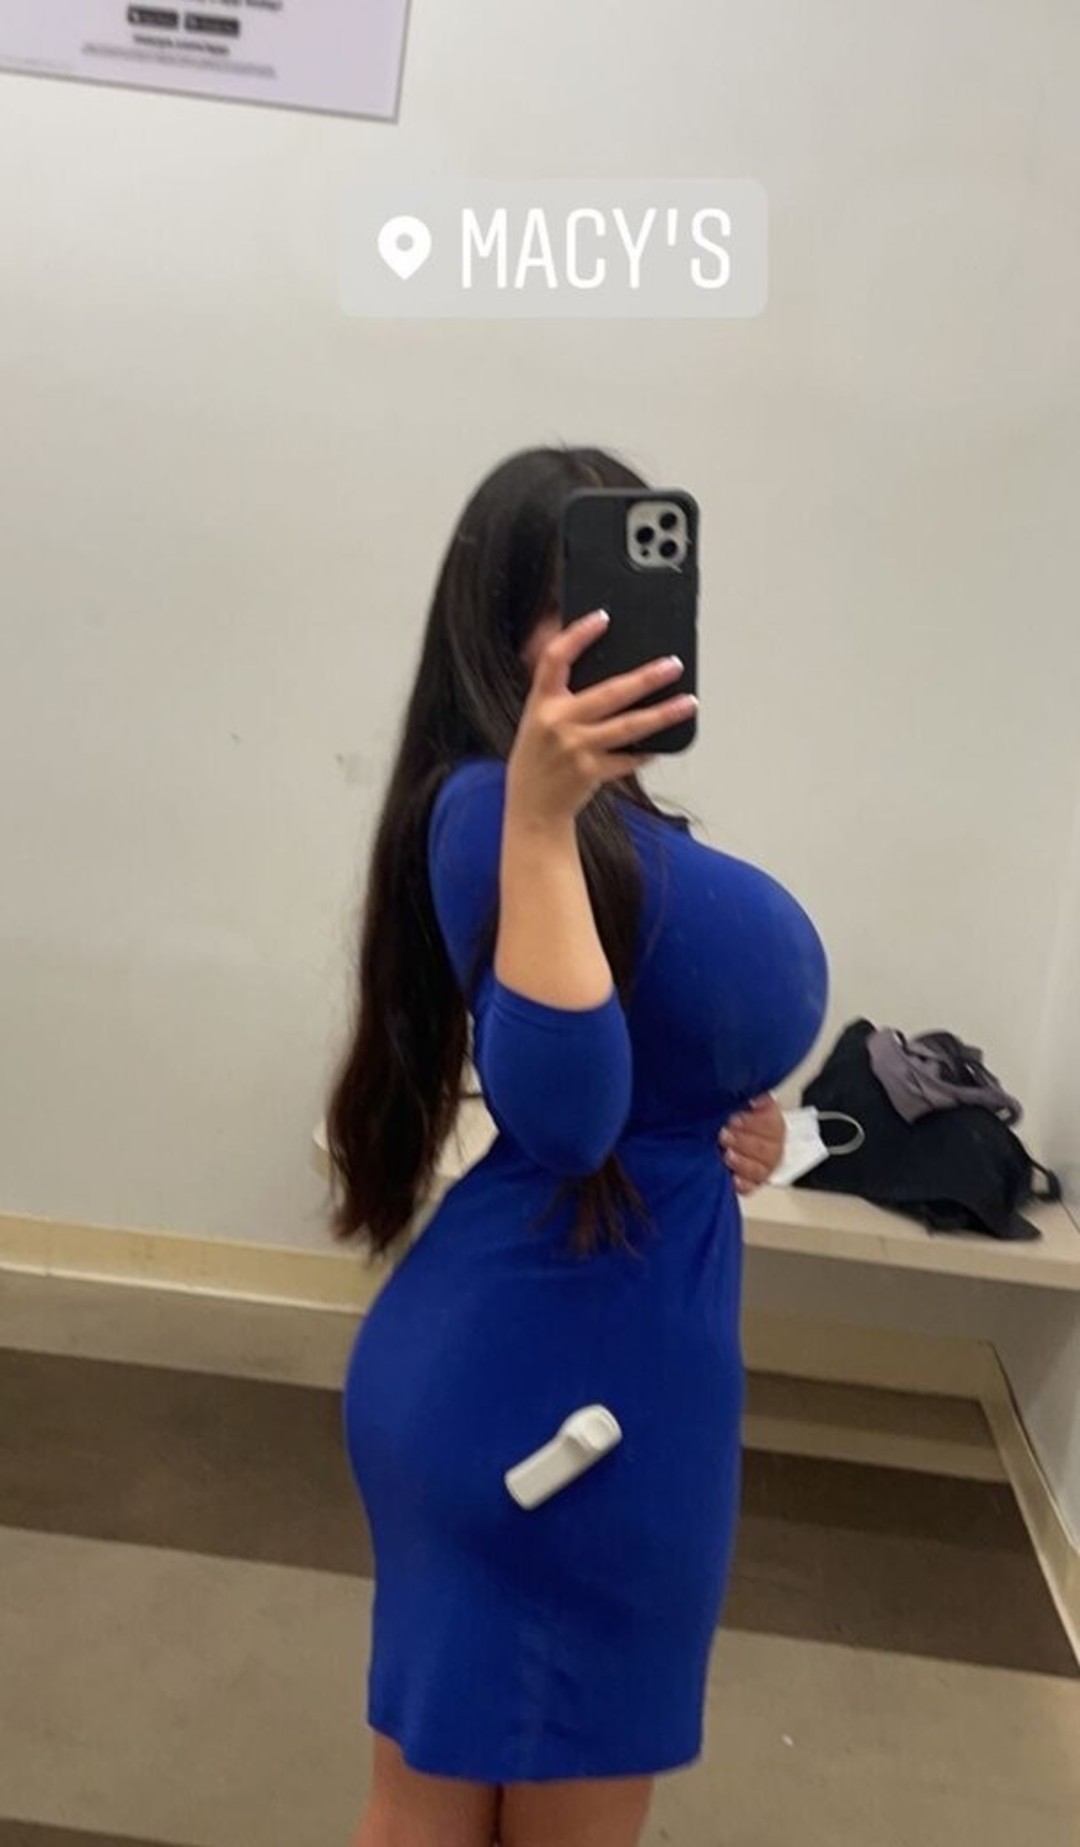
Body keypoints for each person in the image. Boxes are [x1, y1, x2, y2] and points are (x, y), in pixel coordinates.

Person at [327, 446, 828, 1847]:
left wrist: (728, 1119)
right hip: (559, 1403)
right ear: (498, 630)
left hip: (576, 1364)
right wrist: (544, 818)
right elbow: (561, 1119)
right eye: (572, 601)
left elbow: (626, 1070)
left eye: (636, 591)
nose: (612, 632)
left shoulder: (585, 827)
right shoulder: (497, 811)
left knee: (450, 1786)